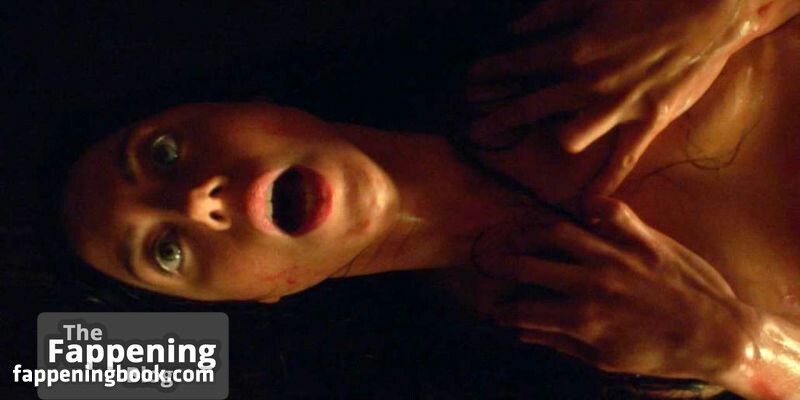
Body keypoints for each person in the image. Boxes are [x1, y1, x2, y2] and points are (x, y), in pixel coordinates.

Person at [59, 0, 800, 398]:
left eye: (162, 153)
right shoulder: (589, 359)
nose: (198, 201)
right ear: (250, 299)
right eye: (166, 251)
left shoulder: (534, 32)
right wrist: (744, 353)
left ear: (240, 103)